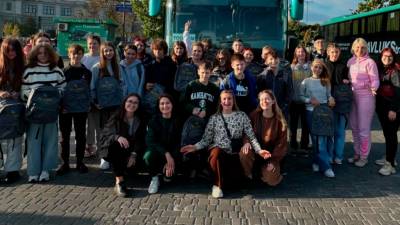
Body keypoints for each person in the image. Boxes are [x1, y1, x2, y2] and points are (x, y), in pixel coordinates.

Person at [181, 90, 270, 198]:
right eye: (224, 99)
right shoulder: (214, 118)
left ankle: (234, 180)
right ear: (220, 101)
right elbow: (206, 140)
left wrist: (259, 150)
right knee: (216, 152)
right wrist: (195, 146)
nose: (227, 101)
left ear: (233, 101)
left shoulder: (241, 116)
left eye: (229, 98)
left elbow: (251, 136)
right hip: (218, 153)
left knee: (232, 183)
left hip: (234, 154)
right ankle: (217, 186)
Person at [21, 44, 65, 182]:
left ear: (50, 55)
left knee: (50, 142)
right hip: (34, 112)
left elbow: (63, 88)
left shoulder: (57, 70)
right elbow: (23, 91)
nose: (43, 56)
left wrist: (53, 98)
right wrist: (37, 99)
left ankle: (46, 170)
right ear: (35, 54)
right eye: (39, 53)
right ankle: (33, 172)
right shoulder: (29, 71)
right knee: (33, 142)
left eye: (45, 53)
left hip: (51, 112)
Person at [100, 93, 145, 197]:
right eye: (130, 101)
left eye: (135, 102)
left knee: (133, 171)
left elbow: (141, 139)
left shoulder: (140, 119)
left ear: (138, 105)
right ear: (124, 103)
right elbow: (105, 134)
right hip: (116, 150)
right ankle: (119, 182)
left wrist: (134, 154)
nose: (132, 104)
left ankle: (127, 170)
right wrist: (117, 137)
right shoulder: (116, 117)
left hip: (133, 151)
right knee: (116, 145)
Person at [57, 44, 92, 175]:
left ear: (83, 55)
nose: (76, 56)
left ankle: (80, 162)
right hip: (65, 109)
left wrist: (88, 104)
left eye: (79, 53)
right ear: (69, 54)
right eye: (73, 53)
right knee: (64, 137)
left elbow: (88, 91)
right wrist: (61, 107)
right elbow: (59, 91)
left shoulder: (86, 73)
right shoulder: (63, 72)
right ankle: (65, 163)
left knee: (81, 135)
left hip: (81, 109)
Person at [241, 90, 287, 186]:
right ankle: (248, 174)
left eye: (267, 99)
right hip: (255, 151)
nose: (264, 101)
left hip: (270, 155)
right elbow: (247, 132)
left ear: (273, 101)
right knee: (244, 152)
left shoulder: (280, 121)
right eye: (261, 99)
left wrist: (273, 161)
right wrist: (246, 142)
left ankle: (265, 172)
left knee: (271, 180)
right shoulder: (253, 115)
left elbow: (281, 144)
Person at [300, 59, 336, 178]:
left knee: (322, 139)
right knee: (315, 138)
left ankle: (322, 165)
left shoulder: (326, 81)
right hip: (311, 112)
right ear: (311, 67)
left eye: (320, 68)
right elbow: (300, 96)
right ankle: (321, 164)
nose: (318, 69)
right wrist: (309, 100)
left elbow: (329, 95)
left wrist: (331, 98)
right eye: (316, 67)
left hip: (324, 112)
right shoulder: (306, 81)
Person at [347, 38, 379, 167]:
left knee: (363, 129)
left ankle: (364, 157)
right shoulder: (350, 61)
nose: (360, 50)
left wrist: (374, 88)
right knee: (354, 127)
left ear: (366, 49)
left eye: (363, 48)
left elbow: (375, 79)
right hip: (352, 96)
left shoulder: (370, 62)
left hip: (366, 96)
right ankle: (357, 153)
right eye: (358, 47)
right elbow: (348, 78)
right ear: (353, 48)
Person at [91, 41, 124, 170]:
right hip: (103, 106)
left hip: (116, 104)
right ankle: (104, 157)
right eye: (106, 51)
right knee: (103, 131)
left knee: (115, 130)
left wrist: (122, 101)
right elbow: (93, 87)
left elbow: (122, 85)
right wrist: (95, 102)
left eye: (111, 50)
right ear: (102, 52)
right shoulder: (96, 67)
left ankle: (113, 155)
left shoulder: (118, 67)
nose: (108, 53)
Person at [143, 94, 182, 194]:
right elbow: (150, 141)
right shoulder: (153, 120)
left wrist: (171, 157)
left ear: (172, 104)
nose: (165, 106)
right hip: (158, 152)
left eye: (167, 103)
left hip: (174, 154)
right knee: (148, 156)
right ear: (158, 106)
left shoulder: (179, 120)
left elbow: (180, 142)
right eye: (162, 104)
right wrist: (166, 153)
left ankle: (167, 173)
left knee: (168, 178)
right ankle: (154, 178)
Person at [0, 38, 25, 184]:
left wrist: (19, 93)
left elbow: (28, 86)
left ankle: (13, 170)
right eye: (8, 50)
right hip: (1, 106)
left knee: (15, 139)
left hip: (16, 107)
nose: (12, 53)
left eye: (14, 50)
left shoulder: (23, 67)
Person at [375, 47, 400, 176]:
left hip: (392, 107)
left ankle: (389, 164)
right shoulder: (380, 68)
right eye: (385, 56)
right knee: (387, 133)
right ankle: (390, 158)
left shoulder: (395, 71)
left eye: (390, 56)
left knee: (391, 135)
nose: (387, 58)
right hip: (381, 106)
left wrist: (393, 109)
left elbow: (398, 92)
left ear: (393, 57)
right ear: (381, 56)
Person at [325, 43, 350, 165]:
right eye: (332, 52)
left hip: (341, 102)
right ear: (328, 52)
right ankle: (329, 155)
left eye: (337, 52)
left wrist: (346, 81)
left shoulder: (344, 66)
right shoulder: (324, 65)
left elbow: (348, 82)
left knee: (340, 131)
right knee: (329, 132)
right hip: (327, 102)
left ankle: (338, 156)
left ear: (339, 53)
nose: (334, 54)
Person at [257, 51, 293, 119]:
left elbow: (290, 93)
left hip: (282, 110)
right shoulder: (262, 76)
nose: (273, 61)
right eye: (271, 59)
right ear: (266, 61)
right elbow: (259, 93)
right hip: (267, 109)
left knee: (282, 128)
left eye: (276, 58)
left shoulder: (285, 75)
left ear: (279, 60)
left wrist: (283, 107)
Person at [82, 35, 101, 158]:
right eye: (90, 43)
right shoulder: (83, 58)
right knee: (88, 124)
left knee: (99, 123)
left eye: (94, 43)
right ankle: (89, 146)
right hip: (85, 95)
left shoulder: (102, 58)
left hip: (98, 95)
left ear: (99, 44)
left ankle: (100, 147)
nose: (92, 46)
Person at [289, 46, 311, 152]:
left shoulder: (311, 67)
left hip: (306, 101)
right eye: (298, 52)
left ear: (305, 53)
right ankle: (293, 146)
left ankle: (304, 146)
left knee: (305, 126)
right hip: (294, 101)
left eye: (302, 52)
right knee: (293, 126)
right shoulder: (291, 67)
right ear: (295, 54)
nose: (301, 53)